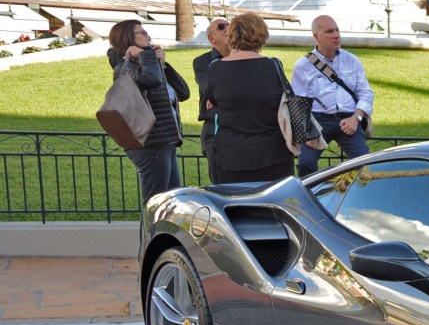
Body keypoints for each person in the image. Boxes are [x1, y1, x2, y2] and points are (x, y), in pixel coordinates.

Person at [106, 19, 189, 208]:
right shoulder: (125, 67)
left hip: (165, 140)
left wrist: (163, 64)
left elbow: (183, 92)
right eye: (142, 33)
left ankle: (164, 238)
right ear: (128, 38)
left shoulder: (150, 65)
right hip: (149, 143)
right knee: (155, 202)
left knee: (170, 200)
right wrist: (147, 57)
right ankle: (149, 237)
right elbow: (150, 80)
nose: (148, 36)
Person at [206, 12, 297, 183]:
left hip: (230, 155)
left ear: (231, 35)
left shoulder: (216, 69)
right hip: (273, 154)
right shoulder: (273, 66)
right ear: (263, 35)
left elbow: (212, 99)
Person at [291, 14, 372, 176]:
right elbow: (297, 101)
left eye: (337, 30)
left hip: (349, 119)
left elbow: (366, 93)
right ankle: (313, 196)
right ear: (316, 36)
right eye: (329, 31)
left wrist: (356, 118)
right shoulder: (303, 65)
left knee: (365, 163)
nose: (336, 35)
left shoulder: (352, 60)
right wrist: (305, 133)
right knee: (306, 163)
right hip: (318, 121)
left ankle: (356, 194)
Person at [193, 17, 231, 182]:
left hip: (241, 126)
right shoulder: (202, 62)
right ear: (211, 38)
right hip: (215, 128)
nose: (227, 28)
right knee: (221, 182)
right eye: (221, 26)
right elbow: (213, 90)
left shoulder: (248, 58)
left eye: (230, 25)